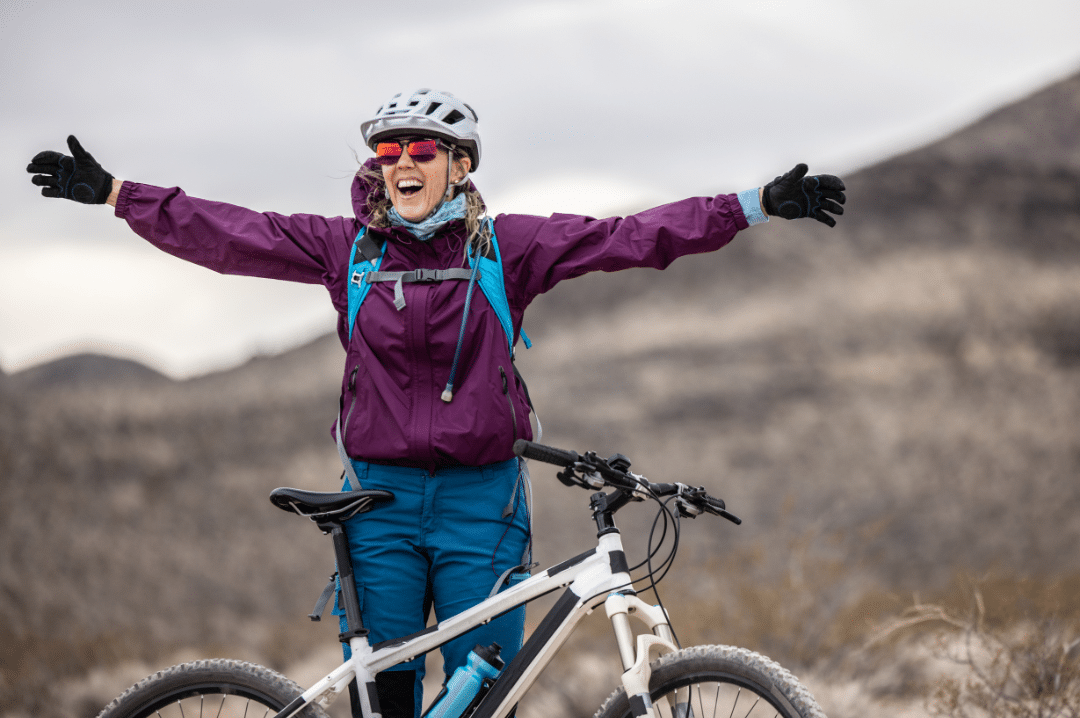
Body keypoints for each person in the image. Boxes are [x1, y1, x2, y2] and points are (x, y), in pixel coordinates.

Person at [26, 88, 845, 718]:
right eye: (388, 150)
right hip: (376, 502)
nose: (401, 161)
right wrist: (116, 193)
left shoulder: (508, 247)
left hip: (479, 502)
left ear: (460, 164)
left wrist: (752, 205)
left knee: (484, 690)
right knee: (390, 689)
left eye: (423, 147)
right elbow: (225, 232)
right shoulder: (341, 249)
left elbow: (630, 236)